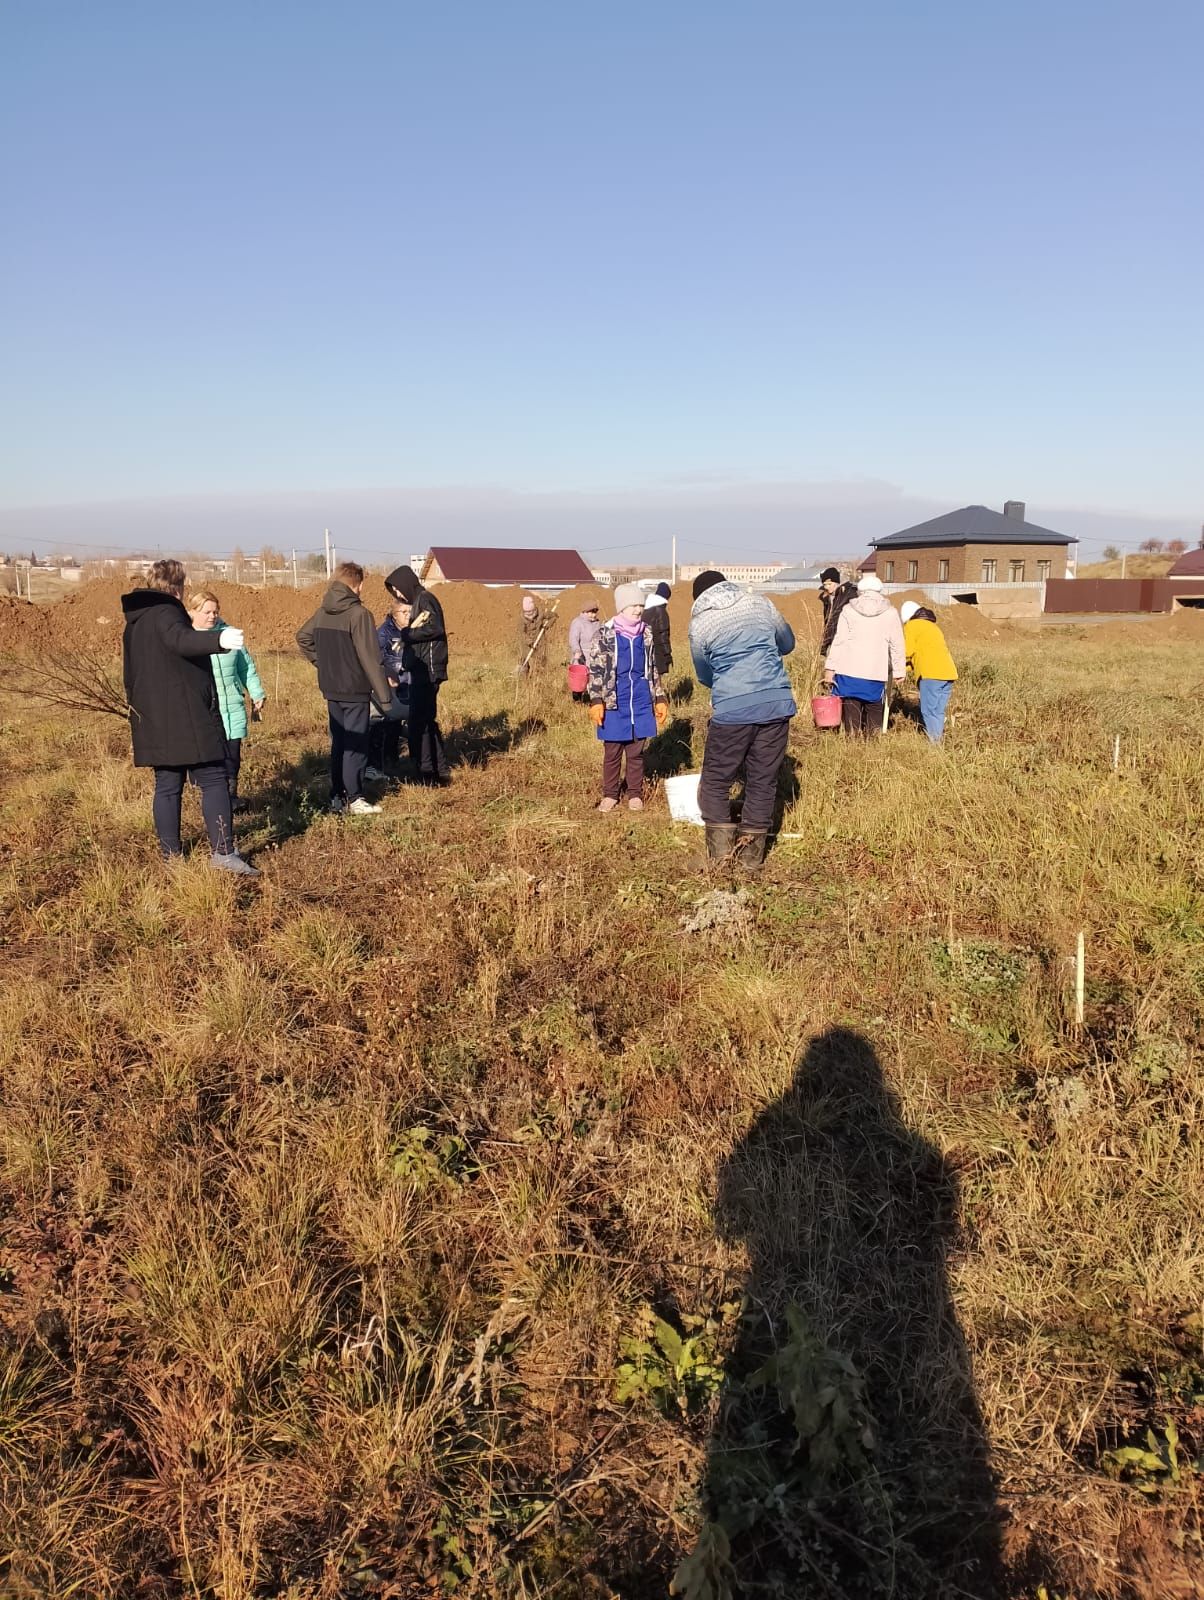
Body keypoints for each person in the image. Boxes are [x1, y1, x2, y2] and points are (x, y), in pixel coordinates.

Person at [121, 558, 258, 876]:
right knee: (213, 779)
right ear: (177, 587)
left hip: (153, 718)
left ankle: (171, 858)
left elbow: (132, 674)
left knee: (167, 785)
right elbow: (180, 640)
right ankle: (223, 853)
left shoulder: (136, 622)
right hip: (187, 718)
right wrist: (219, 640)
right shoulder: (167, 612)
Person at [688, 570, 796, 870]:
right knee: (762, 780)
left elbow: (702, 672)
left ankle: (721, 860)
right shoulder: (761, 604)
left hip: (733, 709)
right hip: (776, 702)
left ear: (699, 597)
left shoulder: (700, 622)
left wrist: (724, 683)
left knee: (716, 780)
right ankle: (750, 862)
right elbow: (787, 643)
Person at [296, 561, 392, 815]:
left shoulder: (322, 612)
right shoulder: (359, 615)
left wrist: (323, 664)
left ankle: (336, 796)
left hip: (331, 688)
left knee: (339, 742)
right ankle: (354, 798)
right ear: (355, 584)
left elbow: (303, 638)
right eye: (360, 586)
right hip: (355, 690)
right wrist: (385, 698)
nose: (361, 591)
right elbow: (371, 659)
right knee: (356, 743)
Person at [587, 583, 668, 812]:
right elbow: (595, 669)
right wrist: (596, 700)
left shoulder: (647, 633)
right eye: (633, 605)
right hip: (614, 701)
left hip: (640, 701)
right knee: (612, 752)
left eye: (641, 605)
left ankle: (635, 794)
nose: (638, 610)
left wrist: (659, 698)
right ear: (621, 607)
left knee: (636, 753)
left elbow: (653, 669)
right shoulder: (605, 634)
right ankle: (611, 794)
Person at [187, 589, 265, 812]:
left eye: (215, 611)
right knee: (208, 762)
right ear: (192, 612)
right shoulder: (186, 639)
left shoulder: (229, 634)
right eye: (207, 612)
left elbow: (246, 666)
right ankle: (211, 802)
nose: (212, 616)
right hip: (202, 712)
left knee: (232, 758)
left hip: (232, 708)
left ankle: (229, 799)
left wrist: (256, 693)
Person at [384, 564, 450, 785]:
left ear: (406, 584)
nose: (399, 595)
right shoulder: (421, 601)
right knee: (426, 721)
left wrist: (408, 633)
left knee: (419, 723)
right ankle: (438, 771)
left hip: (427, 670)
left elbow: (435, 628)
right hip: (423, 669)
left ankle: (426, 772)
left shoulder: (425, 599)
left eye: (398, 590)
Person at [823, 573, 906, 737]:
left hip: (848, 670)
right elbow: (897, 643)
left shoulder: (848, 610)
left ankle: (852, 743)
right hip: (875, 671)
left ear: (860, 590)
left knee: (851, 708)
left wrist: (830, 668)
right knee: (875, 707)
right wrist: (899, 671)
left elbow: (839, 640)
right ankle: (872, 746)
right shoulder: (890, 612)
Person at [367, 593, 412, 776]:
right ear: (394, 614)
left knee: (403, 721)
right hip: (392, 685)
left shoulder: (413, 632)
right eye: (404, 612)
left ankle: (404, 759)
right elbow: (375, 657)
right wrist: (386, 674)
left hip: (410, 682)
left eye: (410, 611)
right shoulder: (385, 633)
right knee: (388, 722)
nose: (408, 615)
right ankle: (386, 759)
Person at [900, 600, 958, 742]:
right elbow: (920, 653)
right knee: (938, 711)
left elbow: (907, 651)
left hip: (931, 674)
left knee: (928, 710)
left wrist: (896, 666)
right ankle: (938, 740)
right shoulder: (932, 626)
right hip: (948, 673)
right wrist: (907, 667)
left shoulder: (912, 626)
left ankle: (934, 745)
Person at [567, 599, 602, 702]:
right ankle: (577, 701)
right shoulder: (577, 622)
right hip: (581, 656)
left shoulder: (598, 623)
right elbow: (573, 639)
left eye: (594, 612)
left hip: (595, 656)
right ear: (584, 612)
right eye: (590, 612)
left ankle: (590, 701)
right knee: (580, 682)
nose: (593, 615)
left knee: (592, 681)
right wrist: (577, 651)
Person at [818, 565, 858, 654]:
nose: (827, 587)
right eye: (825, 584)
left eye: (829, 584)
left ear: (837, 583)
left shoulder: (848, 595)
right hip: (832, 641)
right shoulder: (827, 599)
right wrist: (825, 645)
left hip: (846, 642)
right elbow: (828, 622)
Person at [642, 581, 673, 678]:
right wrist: (667, 655)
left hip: (646, 651)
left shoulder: (646, 610)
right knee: (657, 683)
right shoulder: (661, 612)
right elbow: (663, 634)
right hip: (658, 653)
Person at [517, 594, 552, 674]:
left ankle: (539, 676)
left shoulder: (541, 614)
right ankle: (523, 677)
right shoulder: (521, 619)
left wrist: (547, 626)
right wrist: (528, 641)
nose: (529, 613)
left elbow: (553, 616)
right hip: (527, 643)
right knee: (524, 660)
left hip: (539, 641)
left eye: (530, 611)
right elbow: (521, 633)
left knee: (540, 660)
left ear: (534, 609)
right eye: (526, 612)